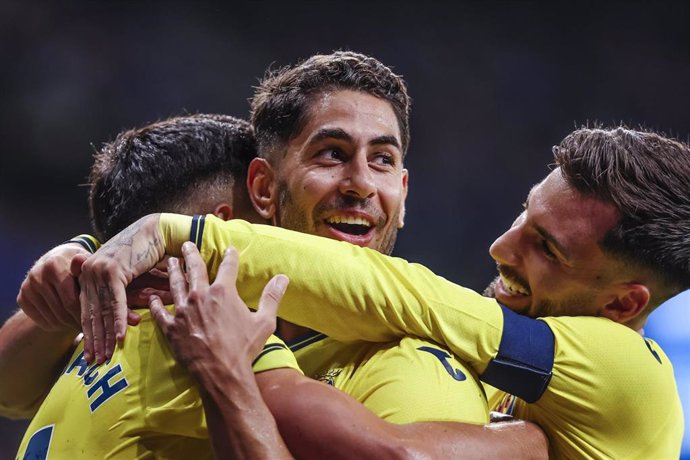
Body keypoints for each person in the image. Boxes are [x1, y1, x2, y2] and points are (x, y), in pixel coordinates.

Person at [9, 58, 547, 456]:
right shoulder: (183, 318)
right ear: (263, 192)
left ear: (403, 193)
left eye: (382, 160)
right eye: (331, 155)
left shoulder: (409, 363)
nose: (360, 184)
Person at [80, 126, 685, 458]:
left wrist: (182, 235)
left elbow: (413, 297)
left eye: (546, 248)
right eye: (522, 217)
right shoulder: (525, 414)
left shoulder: (630, 375)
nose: (502, 247)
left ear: (623, 305)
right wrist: (78, 255)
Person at [12, 114, 301, 458]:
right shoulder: (219, 342)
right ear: (219, 226)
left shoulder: (97, 340)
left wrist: (84, 254)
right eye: (265, 213)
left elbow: (9, 388)